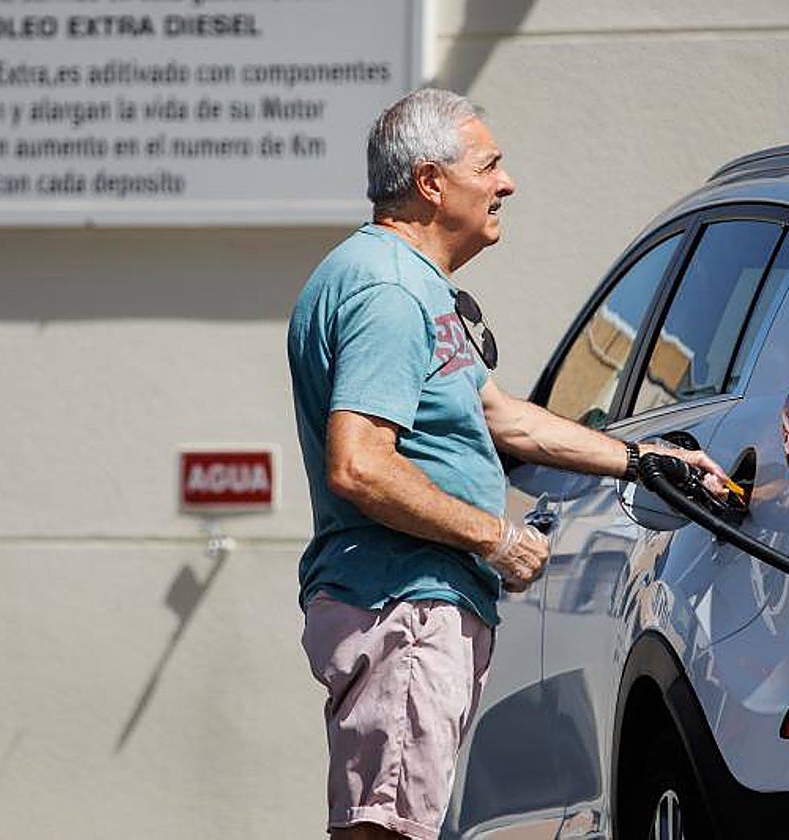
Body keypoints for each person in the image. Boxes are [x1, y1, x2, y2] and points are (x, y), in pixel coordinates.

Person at [287, 88, 727, 840]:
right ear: (431, 182)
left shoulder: (409, 284)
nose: (507, 183)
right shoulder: (387, 289)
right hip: (406, 603)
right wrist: (495, 538)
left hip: (414, 602)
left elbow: (504, 417)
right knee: (386, 832)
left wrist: (641, 459)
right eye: (489, 166)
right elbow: (359, 465)